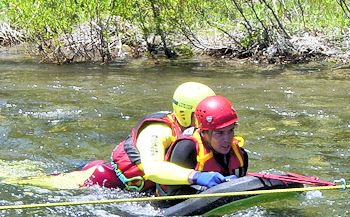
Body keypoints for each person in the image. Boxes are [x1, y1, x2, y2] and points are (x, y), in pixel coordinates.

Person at [14, 82, 234, 192]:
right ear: (191, 113)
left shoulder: (200, 133)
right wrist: (196, 177)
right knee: (31, 183)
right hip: (104, 181)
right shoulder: (158, 131)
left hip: (133, 183)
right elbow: (153, 170)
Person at [157, 95, 248, 197]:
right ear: (204, 133)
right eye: (219, 133)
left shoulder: (239, 154)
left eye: (230, 130)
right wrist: (204, 187)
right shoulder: (186, 148)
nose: (227, 139)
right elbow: (173, 195)